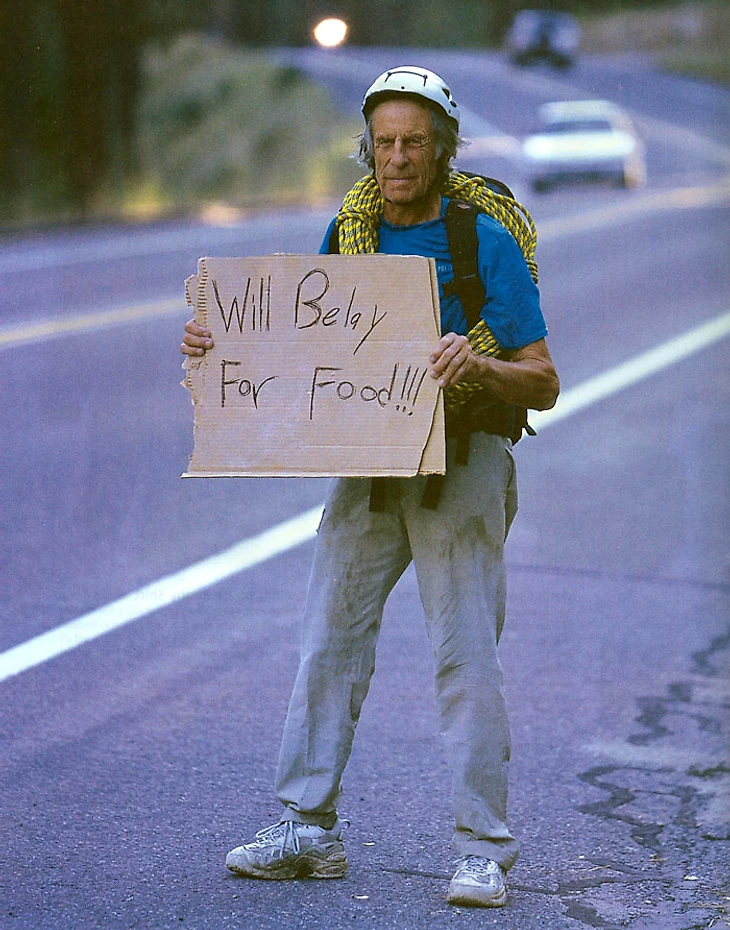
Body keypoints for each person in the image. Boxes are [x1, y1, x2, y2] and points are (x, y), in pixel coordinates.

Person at [181, 65, 559, 909]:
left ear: (442, 149)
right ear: (368, 148)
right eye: (384, 143)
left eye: (414, 143)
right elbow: (297, 352)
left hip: (462, 465)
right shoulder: (350, 236)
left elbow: (543, 380)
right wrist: (220, 351)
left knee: (464, 656)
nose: (397, 159)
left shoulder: (480, 242)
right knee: (327, 641)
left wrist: (481, 364)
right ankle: (309, 831)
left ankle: (482, 850)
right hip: (372, 465)